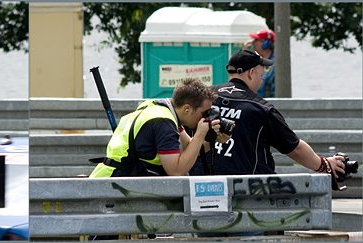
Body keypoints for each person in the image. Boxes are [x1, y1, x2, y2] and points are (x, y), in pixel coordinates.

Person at [190, 49, 346, 238]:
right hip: (246, 197)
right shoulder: (260, 108)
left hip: (203, 194)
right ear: (250, 73)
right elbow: (294, 148)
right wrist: (323, 164)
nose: (262, 80)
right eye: (261, 75)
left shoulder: (203, 99)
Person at [89, 78, 226, 178]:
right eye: (204, 113)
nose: (206, 118)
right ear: (187, 109)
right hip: (113, 186)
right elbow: (176, 171)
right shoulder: (163, 122)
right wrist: (200, 135)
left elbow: (189, 147)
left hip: (111, 179)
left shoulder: (160, 108)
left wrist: (211, 140)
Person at [244, 29, 276, 97]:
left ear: (266, 44)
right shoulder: (253, 61)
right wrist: (244, 56)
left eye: (255, 40)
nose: (252, 43)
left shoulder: (276, 65)